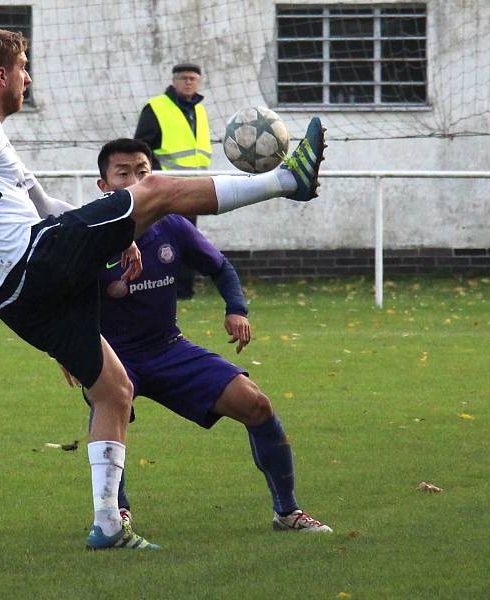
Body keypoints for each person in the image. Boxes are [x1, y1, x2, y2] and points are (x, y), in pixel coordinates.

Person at [0, 28, 327, 550]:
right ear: (1, 76)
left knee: (113, 390)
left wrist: (116, 237)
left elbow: (49, 210)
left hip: (15, 295)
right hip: (33, 261)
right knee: (152, 188)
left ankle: (108, 524)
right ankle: (289, 181)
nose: (27, 78)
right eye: (22, 68)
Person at [64, 138, 331, 534]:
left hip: (168, 348)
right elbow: (59, 295)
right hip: (113, 356)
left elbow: (221, 267)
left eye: (143, 171)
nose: (136, 180)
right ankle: (115, 514)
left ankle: (287, 511)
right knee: (107, 410)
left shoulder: (174, 225)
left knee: (256, 404)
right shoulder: (88, 233)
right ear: (104, 186)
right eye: (124, 174)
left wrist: (235, 308)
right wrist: (67, 351)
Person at [135, 63, 211, 299]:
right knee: (162, 238)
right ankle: (155, 286)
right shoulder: (157, 108)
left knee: (187, 237)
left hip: (193, 185)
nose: (189, 82)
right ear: (174, 81)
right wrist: (152, 178)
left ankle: (184, 290)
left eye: (193, 79)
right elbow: (142, 148)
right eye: (184, 78)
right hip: (166, 187)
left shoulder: (199, 110)